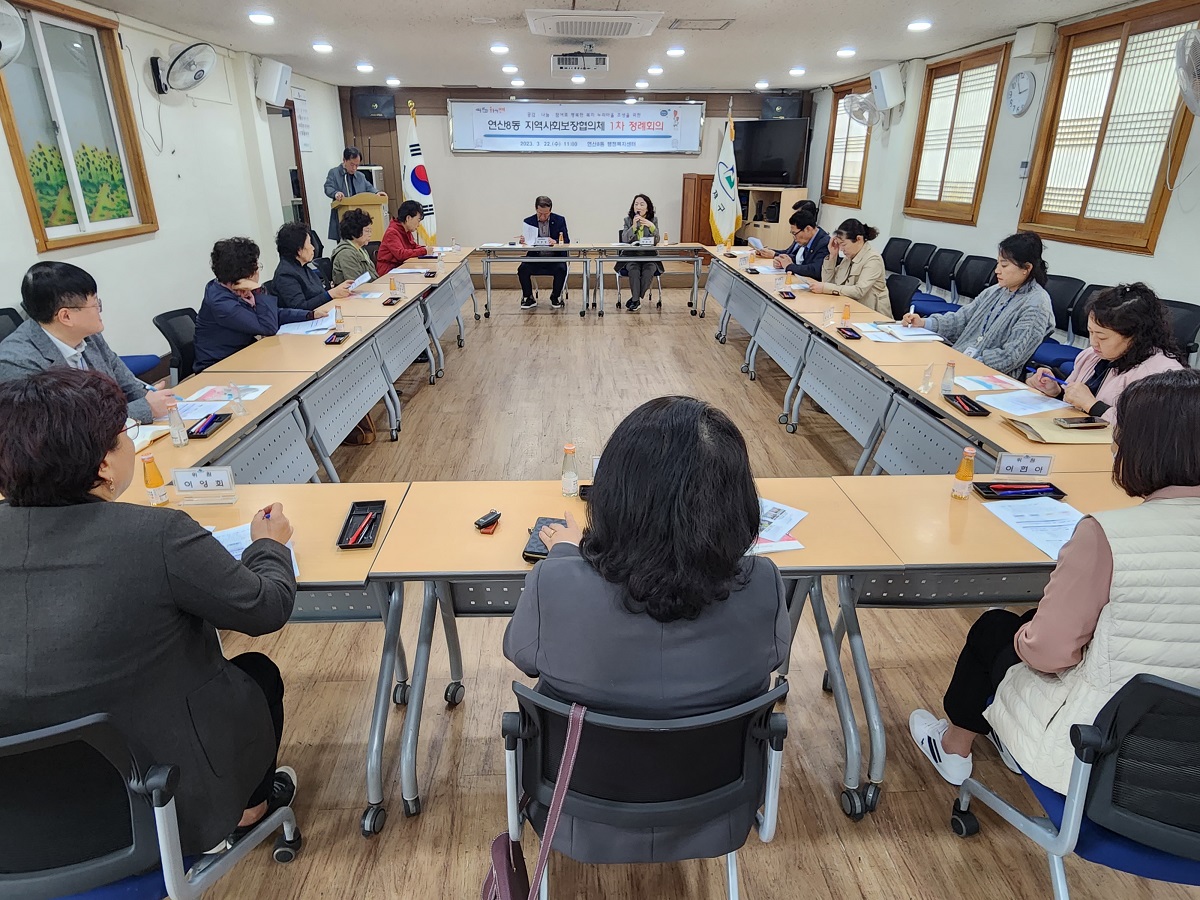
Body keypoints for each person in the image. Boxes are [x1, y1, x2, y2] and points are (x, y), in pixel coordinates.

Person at [0, 368, 300, 855]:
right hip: (158, 800)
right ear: (104, 464)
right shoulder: (156, 535)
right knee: (256, 674)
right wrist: (269, 547)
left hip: (18, 825)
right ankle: (248, 811)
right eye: (126, 434)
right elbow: (266, 608)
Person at [503, 396, 790, 863]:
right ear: (737, 504)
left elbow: (522, 654)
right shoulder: (764, 586)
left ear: (614, 497)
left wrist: (567, 554)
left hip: (575, 816)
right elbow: (774, 653)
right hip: (716, 813)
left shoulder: (554, 582)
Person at [909, 369, 1200, 792]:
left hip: (1097, 749)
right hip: (1186, 758)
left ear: (1142, 449)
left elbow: (1047, 655)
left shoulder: (1105, 536)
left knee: (996, 628)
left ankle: (955, 747)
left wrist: (1029, 635)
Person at [0, 262, 177, 423]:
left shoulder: (89, 336)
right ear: (66, 316)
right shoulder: (18, 363)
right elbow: (64, 428)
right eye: (95, 304)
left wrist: (153, 400)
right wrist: (144, 408)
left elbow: (128, 385)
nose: (99, 310)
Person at [902, 232, 1054, 379]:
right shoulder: (995, 291)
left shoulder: (1036, 304)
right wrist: (924, 323)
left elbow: (1011, 356)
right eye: (998, 264)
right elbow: (961, 319)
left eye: (1004, 265)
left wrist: (969, 363)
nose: (997, 271)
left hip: (988, 377)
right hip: (959, 363)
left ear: (1027, 268)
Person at [1028, 283, 1184, 425]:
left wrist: (1092, 405)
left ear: (1135, 336)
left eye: (1102, 337)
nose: (1093, 342)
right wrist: (1056, 391)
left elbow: (1143, 429)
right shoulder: (1093, 355)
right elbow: (1074, 400)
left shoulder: (1159, 375)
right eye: (1090, 332)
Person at [193, 237, 315, 373]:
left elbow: (273, 314)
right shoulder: (221, 303)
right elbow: (268, 327)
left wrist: (310, 315)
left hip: (243, 356)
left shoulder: (234, 288)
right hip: (218, 368)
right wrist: (257, 289)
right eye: (255, 266)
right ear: (244, 272)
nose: (257, 270)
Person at [798, 218, 889, 316]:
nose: (841, 249)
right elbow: (828, 282)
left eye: (844, 244)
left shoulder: (873, 259)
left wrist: (824, 287)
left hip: (872, 315)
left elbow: (859, 291)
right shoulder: (848, 257)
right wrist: (832, 256)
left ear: (858, 239)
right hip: (848, 308)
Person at [272, 222, 353, 312]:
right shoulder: (285, 274)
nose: (313, 248)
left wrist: (337, 290)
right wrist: (330, 294)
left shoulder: (303, 267)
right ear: (299, 250)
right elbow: (300, 307)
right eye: (309, 244)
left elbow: (319, 293)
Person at [517, 196, 570, 310]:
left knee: (561, 268)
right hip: (535, 258)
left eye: (546, 214)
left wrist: (556, 241)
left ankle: (555, 296)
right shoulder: (529, 221)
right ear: (536, 209)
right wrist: (523, 242)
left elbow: (566, 241)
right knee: (522, 269)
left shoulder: (559, 220)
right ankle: (528, 297)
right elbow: (525, 246)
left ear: (550, 210)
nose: (543, 217)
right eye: (540, 213)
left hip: (554, 258)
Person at [323, 147, 386, 240]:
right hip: (343, 216)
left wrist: (377, 192)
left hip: (359, 218)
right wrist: (336, 193)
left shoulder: (360, 176)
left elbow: (369, 187)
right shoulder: (334, 173)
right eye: (352, 164)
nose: (354, 168)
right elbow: (328, 187)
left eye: (357, 165)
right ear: (344, 160)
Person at [617, 193, 662, 312]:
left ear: (647, 208)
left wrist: (652, 227)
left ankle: (635, 299)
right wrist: (633, 226)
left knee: (649, 271)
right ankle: (636, 300)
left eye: (642, 204)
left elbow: (656, 241)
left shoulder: (653, 220)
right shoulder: (628, 220)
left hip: (649, 257)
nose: (638, 207)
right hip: (632, 257)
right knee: (634, 270)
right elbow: (625, 239)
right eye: (636, 204)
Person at [754, 209, 830, 279]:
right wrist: (782, 260)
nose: (794, 237)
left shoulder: (824, 243)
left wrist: (789, 266)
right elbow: (797, 258)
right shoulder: (806, 239)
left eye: (795, 233)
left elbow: (815, 270)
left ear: (808, 229)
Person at [376, 200, 429, 274]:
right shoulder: (392, 232)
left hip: (401, 267)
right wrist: (424, 251)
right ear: (408, 218)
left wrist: (426, 249)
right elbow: (400, 254)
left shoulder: (406, 230)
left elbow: (413, 246)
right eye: (418, 220)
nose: (418, 225)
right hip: (388, 271)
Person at [331, 209, 378, 285]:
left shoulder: (361, 250)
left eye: (370, 231)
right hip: (357, 291)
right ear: (354, 231)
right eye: (367, 231)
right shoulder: (346, 254)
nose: (370, 234)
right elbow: (356, 284)